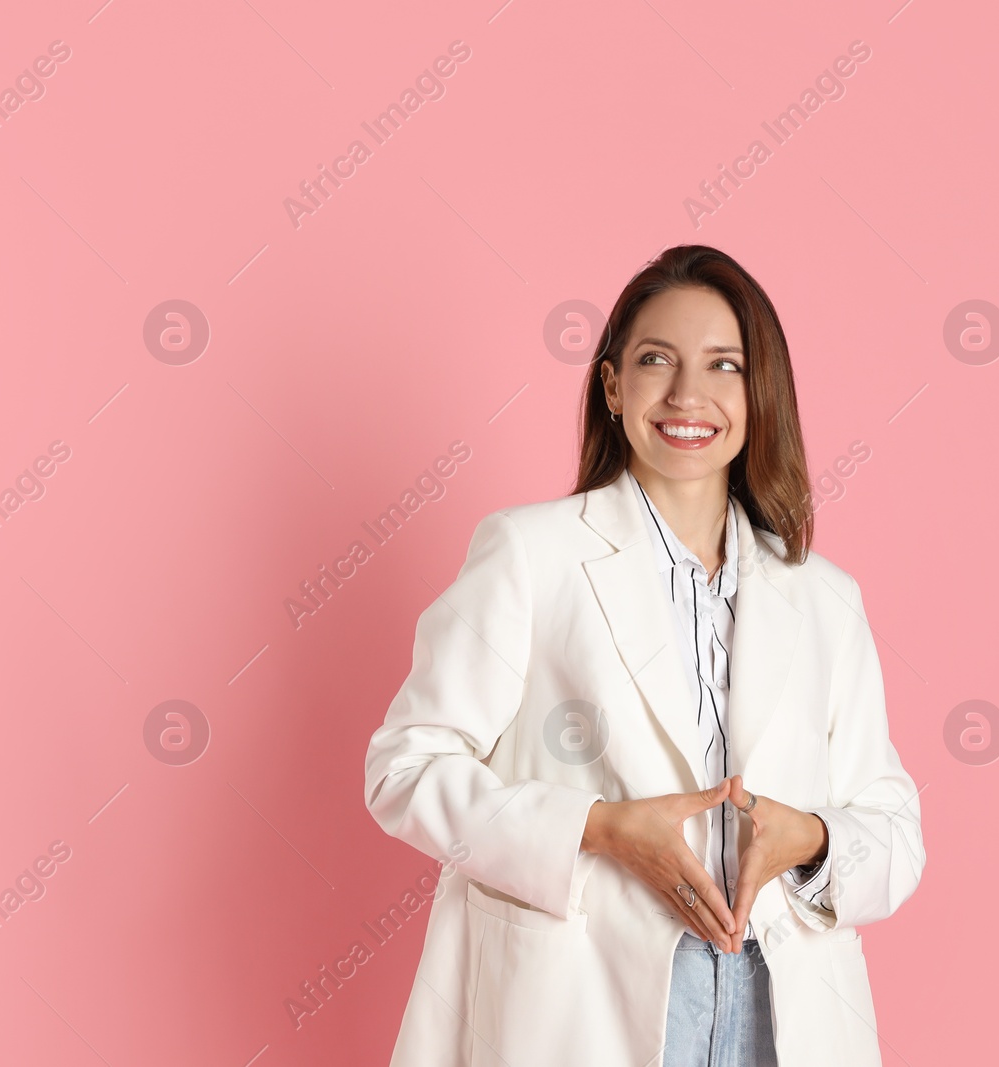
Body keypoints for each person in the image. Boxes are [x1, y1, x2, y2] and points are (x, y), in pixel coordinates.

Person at [362, 244, 925, 1066]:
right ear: (614, 385)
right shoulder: (530, 555)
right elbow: (404, 769)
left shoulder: (824, 597)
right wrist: (597, 828)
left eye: (723, 365)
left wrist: (805, 839)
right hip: (579, 1003)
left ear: (757, 392)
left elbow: (896, 834)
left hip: (783, 1006)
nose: (687, 395)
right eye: (656, 359)